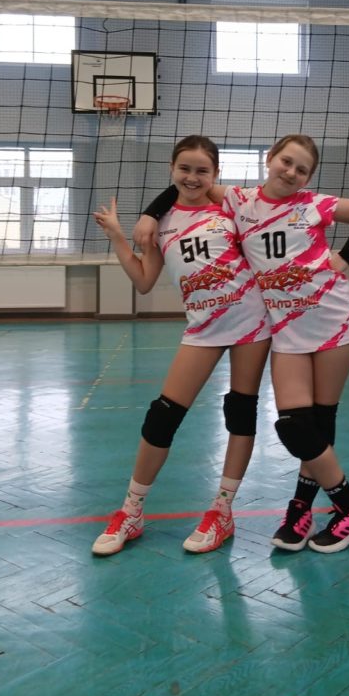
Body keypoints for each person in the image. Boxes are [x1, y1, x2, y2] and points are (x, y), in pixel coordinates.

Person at [137, 134, 349, 554]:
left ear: (308, 178)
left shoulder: (313, 204)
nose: (291, 172)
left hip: (333, 320)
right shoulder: (239, 200)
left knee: (319, 420)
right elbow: (188, 183)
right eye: (286, 161)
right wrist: (149, 213)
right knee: (294, 425)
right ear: (270, 159)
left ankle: (303, 508)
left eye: (301, 169)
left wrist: (342, 260)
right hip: (285, 327)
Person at [91, 135, 271, 557]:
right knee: (163, 416)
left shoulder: (232, 208)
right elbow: (143, 281)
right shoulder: (162, 221)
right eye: (184, 169)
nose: (192, 177)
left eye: (202, 170)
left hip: (251, 322)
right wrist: (118, 236)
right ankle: (131, 511)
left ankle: (222, 511)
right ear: (171, 170)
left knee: (240, 412)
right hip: (202, 328)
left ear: (216, 174)